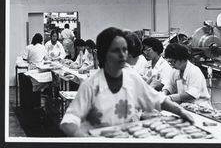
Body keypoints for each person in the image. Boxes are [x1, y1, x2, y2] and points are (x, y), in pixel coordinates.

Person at [60, 27, 194, 137]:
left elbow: (158, 100)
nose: (123, 55)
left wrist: (181, 112)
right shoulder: (91, 85)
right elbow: (68, 122)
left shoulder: (131, 77)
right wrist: (86, 139)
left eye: (124, 50)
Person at [162, 43, 212, 108]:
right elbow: (170, 85)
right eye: (169, 62)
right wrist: (163, 94)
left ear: (182, 59)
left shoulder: (194, 71)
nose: (171, 64)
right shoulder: (175, 71)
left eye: (173, 61)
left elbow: (192, 94)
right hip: (185, 106)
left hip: (200, 107)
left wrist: (170, 97)